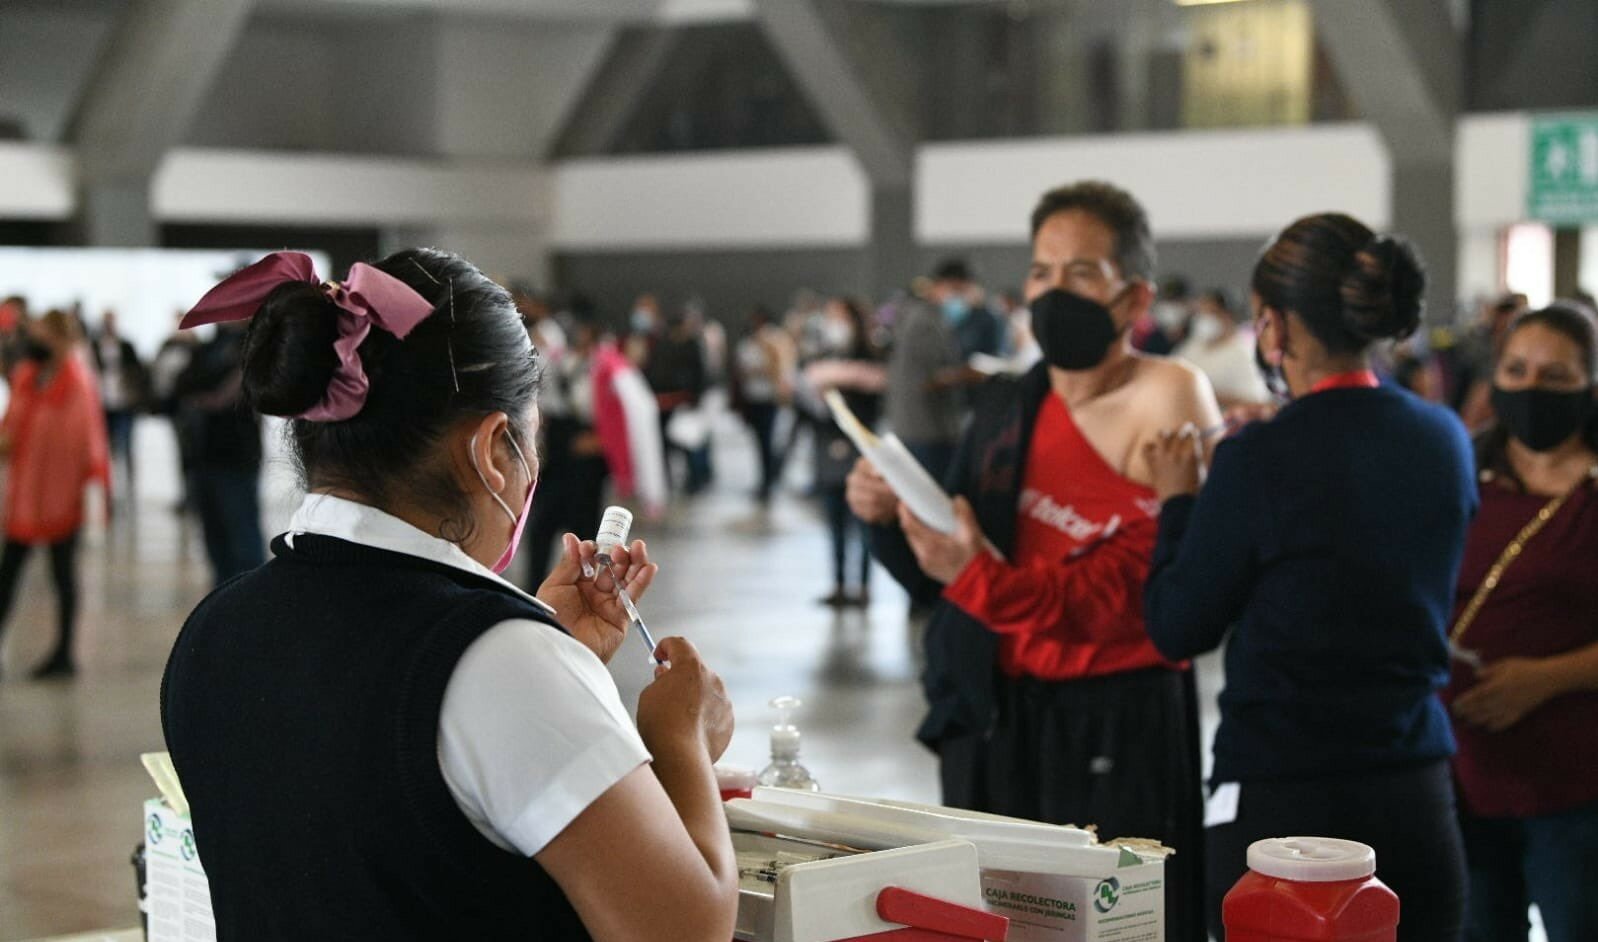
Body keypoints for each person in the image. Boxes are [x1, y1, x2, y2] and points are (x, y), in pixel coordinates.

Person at [162, 249, 739, 939]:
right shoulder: (501, 665)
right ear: (493, 450)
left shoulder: (214, 628)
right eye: (530, 438)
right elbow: (685, 929)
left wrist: (547, 654)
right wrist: (680, 738)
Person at [849, 181, 1220, 941]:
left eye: (1081, 273)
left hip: (1115, 719)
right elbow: (941, 576)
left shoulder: (1171, 395)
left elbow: (1140, 595)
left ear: (1133, 296)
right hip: (1002, 714)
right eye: (1042, 272)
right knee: (1002, 923)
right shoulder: (1007, 406)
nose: (1053, 292)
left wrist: (972, 574)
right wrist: (884, 516)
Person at [1142, 213, 1475, 941]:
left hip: (1283, 802)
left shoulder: (1258, 459)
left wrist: (1179, 500)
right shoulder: (1444, 438)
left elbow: (1177, 626)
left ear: (1275, 327)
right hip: (1414, 787)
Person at [1442, 304, 1598, 942]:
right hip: (1461, 773)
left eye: (1555, 377)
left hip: (1575, 784)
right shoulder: (1461, 470)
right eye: (1516, 370)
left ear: (1590, 385)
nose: (1531, 389)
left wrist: (1546, 678)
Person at [0, 310, 111, 678]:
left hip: (62, 500)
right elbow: (11, 430)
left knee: (62, 576)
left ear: (62, 340)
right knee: (8, 574)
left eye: (42, 335)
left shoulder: (78, 385)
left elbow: (85, 445)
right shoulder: (27, 378)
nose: (34, 342)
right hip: (25, 498)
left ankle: (64, 654)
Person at [805, 297, 886, 607]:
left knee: (864, 522)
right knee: (835, 522)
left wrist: (845, 379)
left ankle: (863, 586)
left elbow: (875, 401)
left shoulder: (870, 355)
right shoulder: (822, 354)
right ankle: (839, 583)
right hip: (827, 447)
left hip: (859, 449)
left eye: (838, 316)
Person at [174, 318, 266, 586]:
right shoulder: (209, 346)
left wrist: (212, 395)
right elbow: (184, 384)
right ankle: (225, 595)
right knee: (215, 537)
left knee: (243, 535)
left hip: (236, 456)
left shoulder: (252, 345)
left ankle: (250, 596)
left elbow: (235, 390)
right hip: (204, 453)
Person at [884, 261, 976, 481]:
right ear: (943, 285)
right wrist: (969, 374)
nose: (960, 298)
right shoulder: (924, 320)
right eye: (958, 290)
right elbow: (927, 378)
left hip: (924, 427)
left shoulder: (928, 316)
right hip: (926, 430)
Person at [732, 306, 796, 504]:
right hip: (752, 398)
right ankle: (766, 478)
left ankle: (769, 480)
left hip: (769, 399)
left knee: (767, 440)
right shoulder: (747, 342)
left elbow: (779, 366)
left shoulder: (775, 340)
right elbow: (741, 368)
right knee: (759, 441)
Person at [1172, 289, 1272, 409]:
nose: (1203, 319)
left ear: (1228, 316)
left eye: (1211, 313)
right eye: (1201, 312)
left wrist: (1203, 394)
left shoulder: (1242, 354)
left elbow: (1254, 400)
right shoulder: (1193, 345)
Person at [90, 310, 149, 498]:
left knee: (126, 445)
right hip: (104, 403)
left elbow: (138, 372)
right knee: (108, 447)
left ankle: (129, 485)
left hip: (124, 403)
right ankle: (110, 486)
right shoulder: (94, 346)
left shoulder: (126, 345)